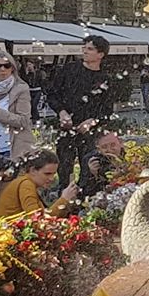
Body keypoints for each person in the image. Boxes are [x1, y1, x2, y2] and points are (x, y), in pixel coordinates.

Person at [53, 35, 120, 193]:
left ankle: (86, 197)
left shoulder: (105, 78)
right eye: (84, 47)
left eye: (90, 49)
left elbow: (107, 109)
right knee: (64, 166)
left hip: (90, 131)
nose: (85, 51)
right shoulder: (69, 70)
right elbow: (53, 93)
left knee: (89, 165)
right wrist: (61, 112)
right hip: (67, 126)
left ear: (100, 54)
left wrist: (93, 121)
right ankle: (64, 196)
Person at [0, 150, 61, 217]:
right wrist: (64, 199)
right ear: (33, 170)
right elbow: (36, 219)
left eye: (53, 174)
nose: (51, 178)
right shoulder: (26, 184)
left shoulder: (26, 182)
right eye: (47, 174)